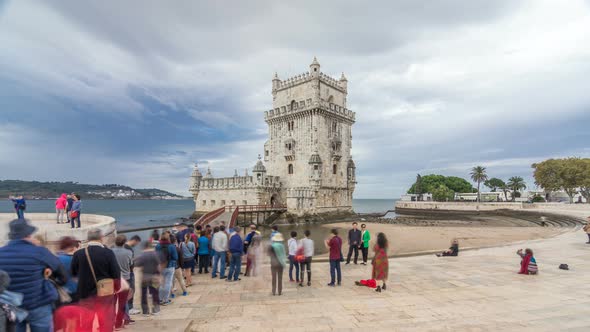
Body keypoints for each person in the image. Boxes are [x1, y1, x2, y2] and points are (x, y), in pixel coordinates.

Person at [0, 219, 67, 332]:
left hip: (12, 307)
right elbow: (62, 275)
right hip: (39, 304)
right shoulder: (39, 252)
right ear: (28, 234)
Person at [71, 228, 121, 332]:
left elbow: (73, 273)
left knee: (86, 323)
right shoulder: (108, 253)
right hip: (105, 294)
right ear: (101, 238)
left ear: (88, 239)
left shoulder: (78, 254)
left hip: (85, 293)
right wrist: (117, 288)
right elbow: (116, 273)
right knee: (106, 323)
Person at [134, 241, 161, 316]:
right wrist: (159, 275)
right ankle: (156, 310)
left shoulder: (141, 256)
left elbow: (137, 265)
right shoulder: (155, 254)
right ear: (150, 246)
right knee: (155, 293)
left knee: (144, 294)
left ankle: (145, 311)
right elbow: (158, 266)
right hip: (154, 277)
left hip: (144, 278)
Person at [112, 235, 132, 329]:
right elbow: (130, 264)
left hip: (115, 278)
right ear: (124, 242)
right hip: (126, 277)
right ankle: (126, 317)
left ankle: (115, 319)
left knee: (115, 300)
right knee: (124, 300)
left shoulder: (111, 252)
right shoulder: (128, 252)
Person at [155, 231, 177, 305]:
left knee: (161, 283)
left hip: (160, 266)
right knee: (168, 283)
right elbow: (175, 257)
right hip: (170, 266)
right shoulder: (172, 246)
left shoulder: (157, 246)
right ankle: (166, 300)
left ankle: (160, 299)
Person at [56, 236, 80, 302]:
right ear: (70, 247)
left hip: (61, 291)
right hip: (73, 289)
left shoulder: (55, 258)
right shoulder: (71, 259)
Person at [124, 235, 141, 316]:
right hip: (129, 272)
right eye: (137, 243)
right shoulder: (128, 249)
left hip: (124, 273)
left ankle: (127, 308)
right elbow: (130, 262)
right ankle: (130, 308)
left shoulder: (123, 247)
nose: (136, 244)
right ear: (135, 240)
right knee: (131, 290)